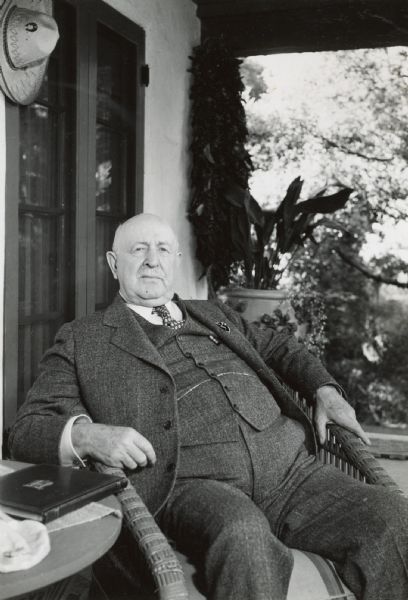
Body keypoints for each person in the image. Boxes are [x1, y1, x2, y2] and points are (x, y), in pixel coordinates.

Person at [9, 213, 408, 600]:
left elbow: (281, 347)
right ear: (114, 263)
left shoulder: (215, 313)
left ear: (176, 261)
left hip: (292, 472)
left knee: (394, 518)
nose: (152, 260)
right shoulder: (84, 338)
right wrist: (87, 435)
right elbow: (28, 429)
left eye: (163, 249)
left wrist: (325, 389)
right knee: (244, 535)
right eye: (138, 250)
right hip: (194, 482)